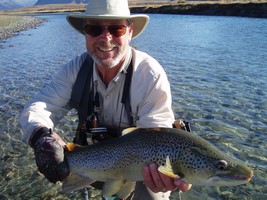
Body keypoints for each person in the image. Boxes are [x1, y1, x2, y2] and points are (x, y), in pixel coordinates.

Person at [19, 0, 190, 199]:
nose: (106, 38)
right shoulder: (75, 70)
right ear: (85, 32)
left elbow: (157, 138)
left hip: (139, 171)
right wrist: (41, 137)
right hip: (88, 164)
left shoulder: (150, 76)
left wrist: (165, 175)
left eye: (116, 29)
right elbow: (39, 107)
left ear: (130, 31)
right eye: (95, 29)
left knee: (154, 195)